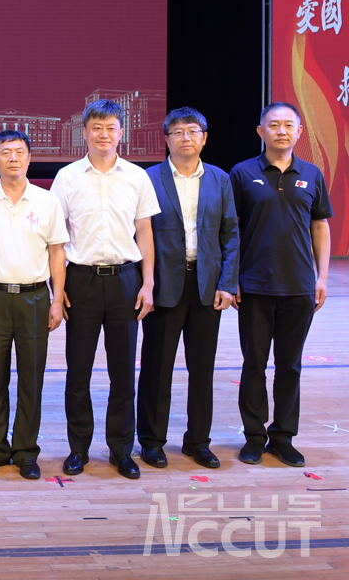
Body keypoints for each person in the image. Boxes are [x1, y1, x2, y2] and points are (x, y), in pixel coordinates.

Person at [50, 99, 158, 480]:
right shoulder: (67, 177)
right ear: (84, 132)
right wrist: (57, 288)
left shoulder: (137, 177)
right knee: (78, 372)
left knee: (123, 373)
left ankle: (121, 450)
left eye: (111, 127)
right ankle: (78, 448)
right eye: (96, 127)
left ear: (121, 132)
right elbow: (56, 238)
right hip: (81, 281)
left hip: (126, 280)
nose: (103, 134)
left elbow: (145, 232)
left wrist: (148, 282)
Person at [231, 102, 332, 468]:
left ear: (299, 132)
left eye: (289, 125)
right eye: (274, 125)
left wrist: (322, 277)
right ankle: (254, 438)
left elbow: (319, 226)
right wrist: (232, 279)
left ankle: (283, 437)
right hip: (254, 285)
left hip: (299, 287)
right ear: (261, 131)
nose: (281, 131)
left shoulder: (312, 174)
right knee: (254, 365)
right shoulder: (242, 173)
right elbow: (231, 229)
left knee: (290, 366)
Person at [138, 108, 239, 470]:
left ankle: (198, 441)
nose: (186, 137)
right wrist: (145, 284)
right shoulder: (148, 178)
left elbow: (230, 233)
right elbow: (139, 234)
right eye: (178, 131)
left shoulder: (219, 179)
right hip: (164, 285)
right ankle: (152, 441)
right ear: (166, 138)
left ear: (204, 138)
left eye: (193, 131)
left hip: (206, 286)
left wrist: (227, 284)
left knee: (202, 369)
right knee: (156, 368)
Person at [0, 130, 68, 481]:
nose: (13, 158)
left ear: (29, 158)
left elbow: (57, 252)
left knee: (31, 378)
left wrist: (57, 299)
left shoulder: (47, 201)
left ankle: (25, 450)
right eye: (5, 152)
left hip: (35, 298)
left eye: (20, 152)